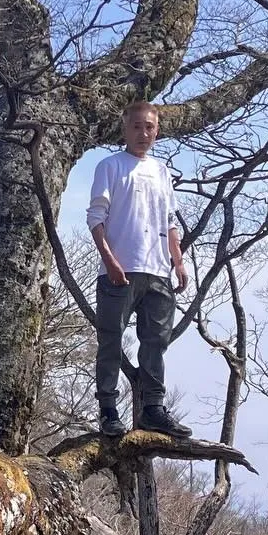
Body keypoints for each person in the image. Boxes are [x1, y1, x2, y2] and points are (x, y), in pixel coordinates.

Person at [86, 100, 191, 439]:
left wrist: (179, 261)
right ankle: (108, 410)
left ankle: (153, 410)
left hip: (157, 269)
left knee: (155, 342)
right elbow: (96, 218)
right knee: (111, 340)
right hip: (120, 270)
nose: (143, 133)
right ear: (125, 129)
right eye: (137, 126)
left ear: (157, 130)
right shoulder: (110, 166)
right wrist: (110, 261)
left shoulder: (161, 171)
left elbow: (170, 221)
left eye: (149, 127)